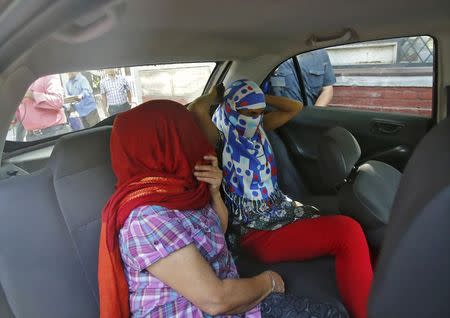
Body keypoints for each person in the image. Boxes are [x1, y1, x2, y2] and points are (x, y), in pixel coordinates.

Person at [97, 100, 347, 318]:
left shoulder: (180, 190)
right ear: (166, 144)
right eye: (187, 134)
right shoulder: (148, 217)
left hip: (230, 299)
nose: (196, 139)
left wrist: (214, 192)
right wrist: (267, 281)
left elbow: (219, 232)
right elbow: (215, 300)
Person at [188, 79, 373, 318]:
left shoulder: (260, 129)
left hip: (280, 212)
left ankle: (378, 290)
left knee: (354, 226)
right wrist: (215, 96)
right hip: (254, 231)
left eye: (259, 112)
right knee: (348, 232)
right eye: (248, 112)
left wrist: (263, 101)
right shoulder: (221, 137)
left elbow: (294, 107)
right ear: (231, 108)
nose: (254, 119)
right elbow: (197, 110)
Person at [269, 49, 336, 106]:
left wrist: (314, 114)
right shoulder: (273, 53)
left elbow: (327, 90)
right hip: (281, 115)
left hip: (308, 115)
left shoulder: (320, 54)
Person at [15, 74, 70, 141]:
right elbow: (20, 113)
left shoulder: (49, 75)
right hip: (31, 136)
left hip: (53, 132)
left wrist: (32, 95)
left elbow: (58, 101)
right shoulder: (21, 81)